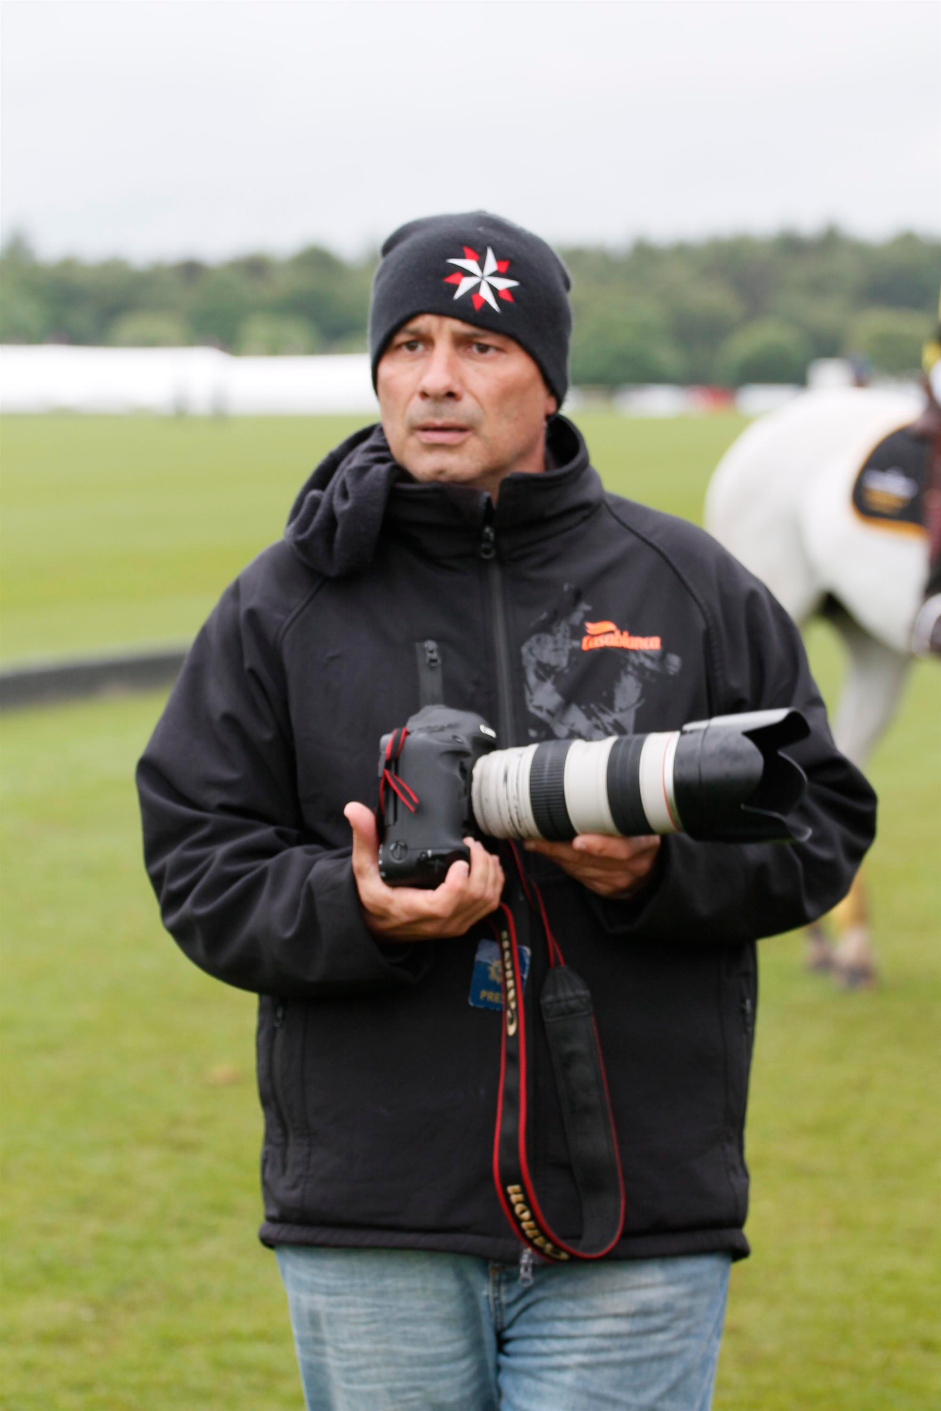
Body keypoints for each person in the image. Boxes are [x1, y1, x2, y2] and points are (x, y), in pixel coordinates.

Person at [137, 212, 876, 1411]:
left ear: (547, 378)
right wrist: (360, 908)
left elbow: (820, 826)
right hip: (376, 1214)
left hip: (637, 1205)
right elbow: (198, 862)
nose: (435, 380)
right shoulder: (283, 603)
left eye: (481, 346)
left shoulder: (686, 585)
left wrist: (650, 878)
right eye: (409, 343)